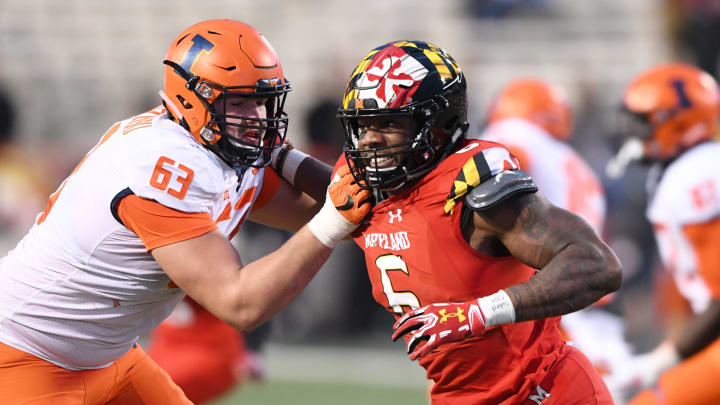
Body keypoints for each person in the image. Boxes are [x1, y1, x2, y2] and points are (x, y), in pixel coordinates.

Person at [0, 19, 370, 404]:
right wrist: (333, 216)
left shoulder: (214, 147)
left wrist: (288, 158)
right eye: (240, 102)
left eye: (262, 101)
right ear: (194, 99)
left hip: (110, 358)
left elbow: (336, 213)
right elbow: (240, 303)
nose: (257, 118)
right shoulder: (158, 164)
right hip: (24, 358)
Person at [335, 40, 622, 404]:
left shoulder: (475, 187)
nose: (371, 141)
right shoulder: (364, 189)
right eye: (363, 126)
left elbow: (598, 265)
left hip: (540, 392)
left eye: (388, 123)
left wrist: (479, 312)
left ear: (436, 125)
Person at [478, 78, 633, 383]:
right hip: (587, 298)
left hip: (543, 301)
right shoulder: (574, 163)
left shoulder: (513, 135)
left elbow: (491, 170)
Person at [603, 63, 720, 405]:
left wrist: (660, 362)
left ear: (678, 122)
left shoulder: (695, 176)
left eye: (644, 122)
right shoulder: (693, 167)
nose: (634, 133)